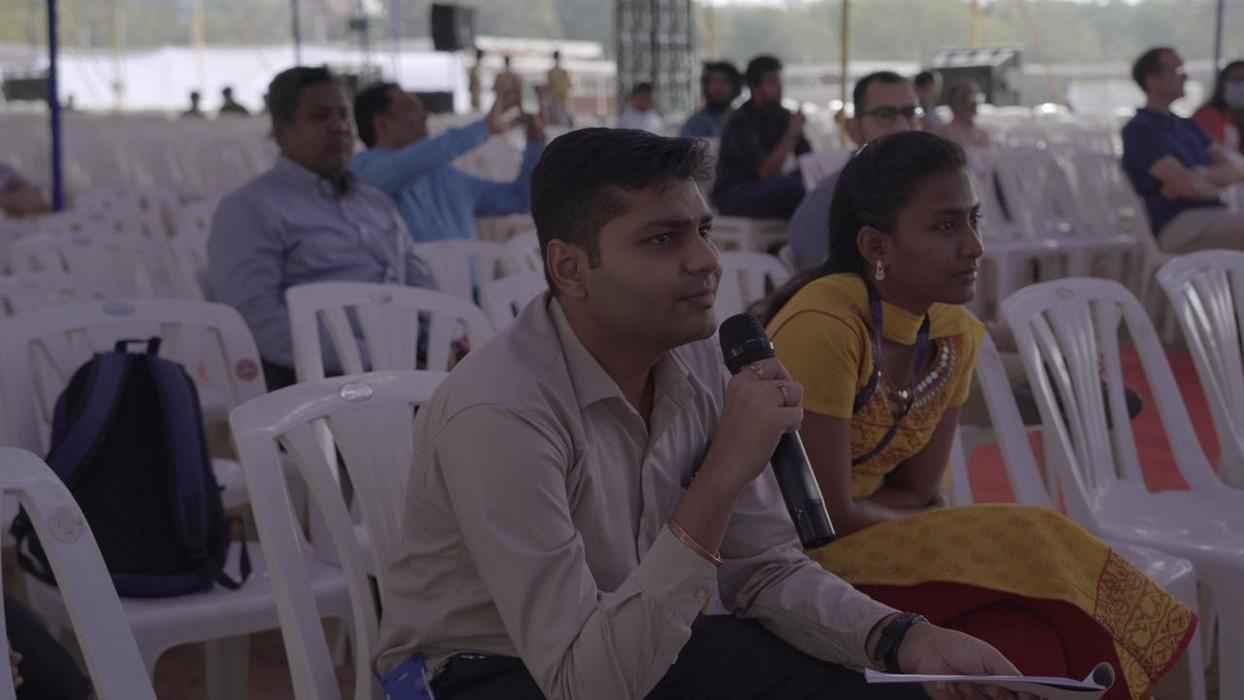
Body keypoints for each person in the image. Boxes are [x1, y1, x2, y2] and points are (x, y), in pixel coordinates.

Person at [373, 127, 1043, 700]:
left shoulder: (696, 359)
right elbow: (584, 683)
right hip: (489, 670)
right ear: (570, 269)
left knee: (878, 684)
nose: (706, 262)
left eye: (703, 231)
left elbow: (764, 569)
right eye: (662, 240)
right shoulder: (503, 412)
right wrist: (723, 473)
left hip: (633, 636)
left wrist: (904, 640)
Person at [761, 131, 1197, 700]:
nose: (974, 246)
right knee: (1033, 534)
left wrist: (925, 520)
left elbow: (920, 490)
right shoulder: (824, 328)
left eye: (974, 220)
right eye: (945, 226)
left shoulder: (952, 334)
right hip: (794, 564)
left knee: (1039, 637)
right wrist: (940, 527)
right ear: (875, 246)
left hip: (882, 539)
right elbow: (826, 518)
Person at [207, 66, 438, 391]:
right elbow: (256, 322)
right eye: (320, 117)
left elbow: (419, 282)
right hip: (321, 391)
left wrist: (440, 342)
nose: (339, 127)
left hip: (409, 373)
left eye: (344, 116)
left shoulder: (374, 201)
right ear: (282, 131)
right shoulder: (250, 209)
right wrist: (374, 358)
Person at [352, 81, 545, 243]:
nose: (424, 115)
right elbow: (406, 164)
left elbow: (520, 198)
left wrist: (535, 141)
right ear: (382, 124)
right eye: (410, 108)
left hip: (469, 278)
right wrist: (485, 127)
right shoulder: (363, 172)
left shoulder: (444, 176)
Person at [790, 71, 919, 272]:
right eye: (885, 115)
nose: (903, 127)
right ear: (854, 128)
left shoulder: (933, 189)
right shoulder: (828, 203)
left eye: (910, 113)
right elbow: (819, 277)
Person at [1122, 47, 1244, 253]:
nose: (1185, 76)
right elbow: (1187, 186)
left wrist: (1199, 174)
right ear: (1152, 80)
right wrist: (1217, 184)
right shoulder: (1140, 130)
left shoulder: (1188, 126)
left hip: (1215, 216)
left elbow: (1237, 169)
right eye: (1177, 70)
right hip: (1179, 226)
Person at [712, 54, 810, 219]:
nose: (780, 88)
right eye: (773, 82)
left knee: (814, 183)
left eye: (780, 82)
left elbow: (808, 160)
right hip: (735, 193)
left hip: (769, 187)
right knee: (797, 188)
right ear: (755, 87)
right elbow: (765, 172)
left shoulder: (783, 116)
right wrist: (791, 134)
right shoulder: (740, 121)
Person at [680, 60, 743, 139]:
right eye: (714, 81)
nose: (718, 87)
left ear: (735, 86)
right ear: (706, 86)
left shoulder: (743, 121)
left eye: (725, 81)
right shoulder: (694, 123)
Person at [1194, 59, 1244, 155]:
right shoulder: (1207, 115)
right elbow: (1213, 154)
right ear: (1222, 85)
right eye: (1237, 80)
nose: (1242, 86)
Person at [935, 81, 990, 149]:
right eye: (969, 98)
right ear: (955, 103)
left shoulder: (982, 134)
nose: (975, 103)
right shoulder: (945, 134)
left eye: (976, 97)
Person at [545, 50, 574, 127]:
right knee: (559, 115)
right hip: (557, 97)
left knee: (560, 115)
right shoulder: (557, 72)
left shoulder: (558, 72)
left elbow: (568, 85)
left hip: (559, 97)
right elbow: (569, 85)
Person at [468, 48, 485, 113]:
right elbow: (474, 78)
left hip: (477, 88)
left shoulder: (477, 66)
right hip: (475, 88)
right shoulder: (476, 67)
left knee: (476, 105)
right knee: (475, 105)